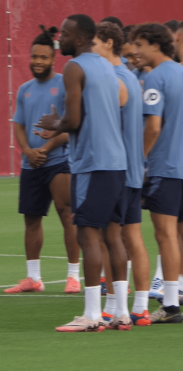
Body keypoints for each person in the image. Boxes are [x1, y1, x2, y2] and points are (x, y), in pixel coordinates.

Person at [36, 14, 130, 332]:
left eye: (64, 34)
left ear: (78, 39)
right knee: (113, 236)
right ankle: (120, 312)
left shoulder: (74, 68)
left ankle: (91, 315)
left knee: (87, 235)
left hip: (92, 163)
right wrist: (61, 126)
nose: (58, 38)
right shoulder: (106, 65)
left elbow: (74, 121)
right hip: (118, 163)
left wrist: (55, 124)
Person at [5, 25, 81, 294]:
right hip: (31, 164)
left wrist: (45, 149)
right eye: (34, 57)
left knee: (66, 215)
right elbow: (19, 125)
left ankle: (73, 276)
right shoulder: (24, 89)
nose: (37, 62)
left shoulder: (63, 83)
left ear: (53, 59)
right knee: (31, 219)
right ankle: (33, 278)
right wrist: (27, 150)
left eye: (43, 58)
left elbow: (70, 124)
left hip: (58, 161)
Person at [92, 21, 150, 326]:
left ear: (108, 44)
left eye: (95, 44)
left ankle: (117, 308)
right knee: (132, 238)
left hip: (116, 170)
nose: (91, 50)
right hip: (133, 170)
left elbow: (106, 127)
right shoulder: (129, 75)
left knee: (108, 238)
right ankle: (138, 308)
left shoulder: (113, 79)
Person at [133, 23, 183, 323]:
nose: (136, 51)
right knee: (178, 235)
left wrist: (138, 161)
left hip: (165, 168)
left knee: (165, 235)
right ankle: (175, 295)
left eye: (139, 44)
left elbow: (152, 127)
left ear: (155, 45)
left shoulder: (155, 78)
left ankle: (170, 305)